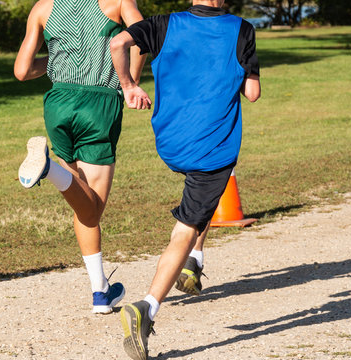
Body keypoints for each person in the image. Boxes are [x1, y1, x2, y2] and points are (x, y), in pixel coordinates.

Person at [109, 0, 261, 358]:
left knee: (203, 193)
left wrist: (129, 84)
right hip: (212, 146)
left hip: (170, 141)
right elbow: (252, 93)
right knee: (190, 220)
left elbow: (117, 43)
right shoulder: (242, 29)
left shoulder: (163, 24)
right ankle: (146, 307)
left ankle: (193, 263)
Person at [14, 0, 146, 314]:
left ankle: (101, 291)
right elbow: (144, 37)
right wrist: (130, 83)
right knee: (93, 207)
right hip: (98, 102)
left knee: (81, 197)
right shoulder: (118, 1)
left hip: (57, 101)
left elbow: (21, 70)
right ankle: (48, 169)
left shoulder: (42, 8)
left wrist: (60, 62)